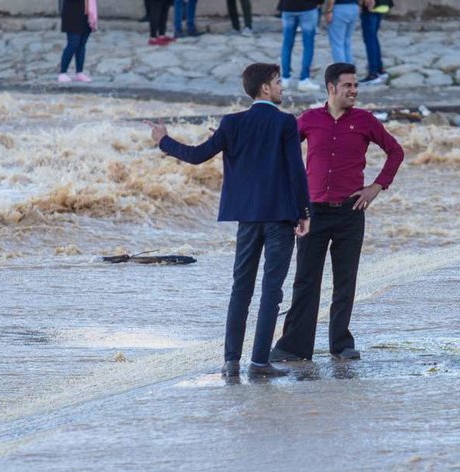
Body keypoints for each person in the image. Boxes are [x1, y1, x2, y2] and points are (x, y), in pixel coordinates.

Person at [147, 63, 311, 379]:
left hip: (246, 218)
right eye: (278, 82)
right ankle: (260, 362)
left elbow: (196, 156)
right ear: (265, 88)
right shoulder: (285, 123)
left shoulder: (232, 123)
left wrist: (164, 140)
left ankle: (231, 362)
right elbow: (295, 172)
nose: (281, 87)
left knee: (241, 289)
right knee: (271, 290)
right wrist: (304, 213)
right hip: (279, 217)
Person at [271, 62, 404, 363]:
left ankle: (341, 345)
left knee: (345, 281)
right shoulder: (309, 120)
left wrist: (377, 187)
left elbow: (396, 152)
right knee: (306, 280)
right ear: (331, 88)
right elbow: (282, 150)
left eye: (356, 86)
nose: (354, 91)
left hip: (350, 212)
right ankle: (294, 347)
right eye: (348, 86)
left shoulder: (365, 120)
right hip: (312, 212)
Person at [279, 0, 322, 91]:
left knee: (287, 44)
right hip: (308, 6)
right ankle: (304, 79)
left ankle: (285, 78)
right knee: (308, 45)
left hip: (288, 6)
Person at [58, 0, 97, 83]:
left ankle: (79, 72)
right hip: (72, 12)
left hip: (86, 13)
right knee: (73, 43)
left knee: (82, 44)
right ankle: (63, 72)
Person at [359, 0, 391, 83]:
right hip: (381, 6)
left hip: (371, 6)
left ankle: (373, 73)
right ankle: (380, 69)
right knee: (373, 39)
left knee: (370, 40)